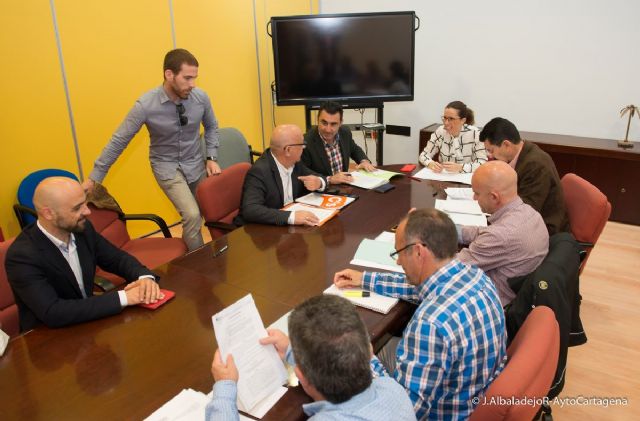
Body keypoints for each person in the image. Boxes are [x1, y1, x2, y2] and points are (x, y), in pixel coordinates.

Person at [334, 209, 506, 420]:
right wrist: (365, 279)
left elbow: (403, 412)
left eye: (398, 254)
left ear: (418, 252)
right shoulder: (476, 276)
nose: (398, 263)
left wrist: (365, 357)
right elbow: (420, 289)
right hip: (472, 392)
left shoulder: (430, 324)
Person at [83, 48, 220, 251]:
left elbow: (212, 127)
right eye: (187, 78)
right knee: (191, 214)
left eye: (195, 78)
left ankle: (197, 255)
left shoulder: (201, 98)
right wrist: (95, 178)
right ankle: (201, 263)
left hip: (195, 162)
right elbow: (119, 141)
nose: (192, 84)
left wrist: (211, 157)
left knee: (204, 211)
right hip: (167, 167)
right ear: (169, 74)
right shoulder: (146, 105)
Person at [206, 294, 416, 421]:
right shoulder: (393, 389)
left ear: (300, 376)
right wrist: (292, 351)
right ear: (368, 350)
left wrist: (224, 390)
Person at [5, 177, 161, 332]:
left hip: (86, 324)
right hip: (48, 339)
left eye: (85, 203)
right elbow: (53, 312)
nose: (87, 211)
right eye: (77, 208)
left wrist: (144, 278)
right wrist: (126, 297)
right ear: (48, 214)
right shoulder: (21, 256)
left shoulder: (82, 229)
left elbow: (117, 259)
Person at [458, 160, 549, 306]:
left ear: (494, 197)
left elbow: (451, 268)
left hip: (490, 302)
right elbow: (487, 233)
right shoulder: (530, 213)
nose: (474, 198)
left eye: (476, 193)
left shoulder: (501, 235)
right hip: (518, 293)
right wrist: (450, 229)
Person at [480, 117, 570, 235]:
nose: (490, 156)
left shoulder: (536, 165)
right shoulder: (522, 155)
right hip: (525, 219)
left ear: (506, 145)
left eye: (491, 150)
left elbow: (526, 211)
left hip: (544, 228)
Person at [234, 124, 327, 226]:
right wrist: (291, 217)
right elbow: (251, 210)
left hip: (286, 228)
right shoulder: (259, 171)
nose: (304, 148)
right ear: (288, 150)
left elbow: (317, 177)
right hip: (259, 232)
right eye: (302, 145)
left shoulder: (294, 163)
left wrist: (319, 182)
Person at [302, 101, 375, 185]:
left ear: (340, 123)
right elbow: (303, 173)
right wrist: (330, 179)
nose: (328, 129)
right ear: (317, 120)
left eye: (333, 124)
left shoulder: (345, 132)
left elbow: (354, 149)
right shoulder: (306, 142)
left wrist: (364, 161)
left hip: (344, 187)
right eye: (324, 123)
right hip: (321, 191)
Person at [419, 101, 487, 173]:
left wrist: (461, 167)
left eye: (451, 119)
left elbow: (482, 163)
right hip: (443, 177)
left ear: (463, 120)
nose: (446, 123)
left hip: (466, 179)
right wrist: (430, 163)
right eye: (444, 118)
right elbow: (424, 155)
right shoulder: (440, 131)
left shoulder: (475, 134)